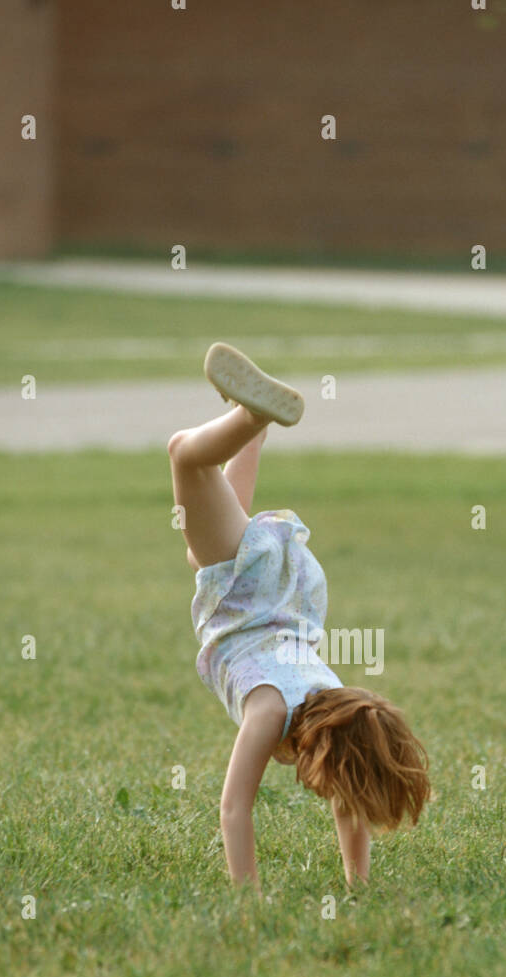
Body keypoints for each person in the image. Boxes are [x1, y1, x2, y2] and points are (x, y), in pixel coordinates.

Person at [167, 343, 430, 891]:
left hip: (275, 595)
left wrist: (358, 886)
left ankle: (254, 428)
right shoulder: (270, 711)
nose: (338, 798)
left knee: (201, 550)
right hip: (251, 592)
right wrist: (249, 901)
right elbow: (234, 808)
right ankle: (250, 416)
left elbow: (346, 805)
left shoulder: (334, 700)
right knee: (186, 457)